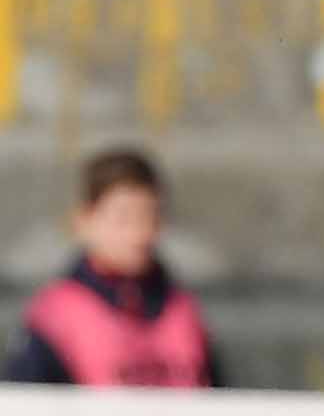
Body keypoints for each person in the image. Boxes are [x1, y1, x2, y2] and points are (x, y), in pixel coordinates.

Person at [6, 148, 224, 388]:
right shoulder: (55, 318)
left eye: (150, 217)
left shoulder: (183, 310)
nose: (139, 234)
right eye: (123, 219)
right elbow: (23, 411)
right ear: (84, 221)